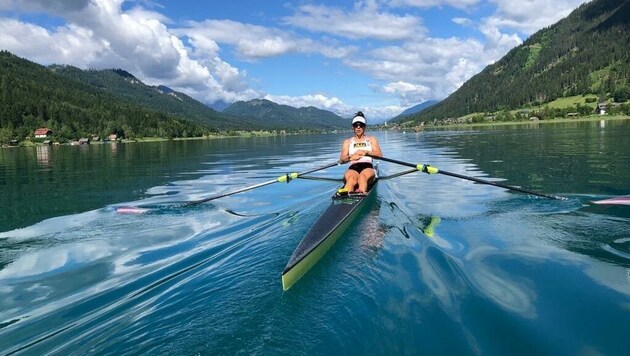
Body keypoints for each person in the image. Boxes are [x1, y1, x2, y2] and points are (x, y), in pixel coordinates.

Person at [338, 111, 383, 195]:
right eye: (356, 125)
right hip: (353, 168)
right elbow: (341, 160)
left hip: (367, 167)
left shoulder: (371, 139)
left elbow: (379, 155)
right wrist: (350, 157)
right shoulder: (347, 142)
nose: (358, 127)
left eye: (361, 125)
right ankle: (346, 193)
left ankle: (360, 193)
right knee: (351, 178)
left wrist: (366, 152)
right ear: (352, 127)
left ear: (365, 127)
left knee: (362, 177)